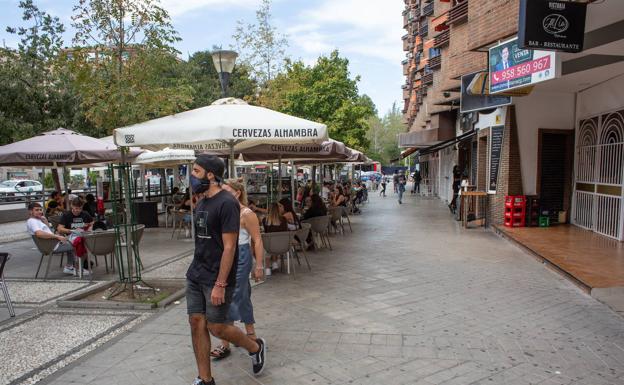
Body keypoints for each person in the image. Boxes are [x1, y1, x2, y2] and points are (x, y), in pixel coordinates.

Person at [186, 154, 266, 385]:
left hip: (216, 276)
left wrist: (220, 284)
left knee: (217, 327)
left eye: (196, 171)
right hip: (196, 273)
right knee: (196, 322)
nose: (192, 176)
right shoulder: (202, 201)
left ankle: (254, 346)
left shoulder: (227, 203)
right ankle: (205, 379)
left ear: (211, 175)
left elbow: (230, 247)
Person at [211, 179, 264, 361]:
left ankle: (226, 342)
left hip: (241, 256)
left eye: (226, 191)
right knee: (242, 295)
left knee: (233, 295)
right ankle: (251, 335)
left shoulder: (246, 213)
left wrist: (259, 265)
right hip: (225, 256)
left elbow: (257, 240)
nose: (223, 195)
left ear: (237, 192)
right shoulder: (224, 212)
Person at [26, 202, 76, 275]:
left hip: (52, 244)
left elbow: (48, 232)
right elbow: (39, 234)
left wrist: (45, 221)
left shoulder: (37, 220)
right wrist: (57, 236)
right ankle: (73, 267)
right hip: (52, 246)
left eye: (40, 210)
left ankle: (71, 266)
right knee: (77, 244)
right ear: (30, 211)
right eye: (37, 210)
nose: (40, 212)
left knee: (72, 240)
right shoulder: (32, 221)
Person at [58, 198, 94, 274]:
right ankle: (78, 267)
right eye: (76, 208)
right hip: (71, 236)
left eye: (80, 208)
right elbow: (59, 229)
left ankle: (80, 264)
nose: (77, 210)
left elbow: (92, 222)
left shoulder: (85, 214)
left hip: (84, 234)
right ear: (71, 206)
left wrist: (90, 228)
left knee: (89, 241)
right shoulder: (66, 215)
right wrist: (71, 230)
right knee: (81, 242)